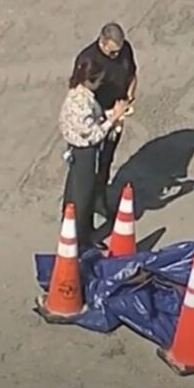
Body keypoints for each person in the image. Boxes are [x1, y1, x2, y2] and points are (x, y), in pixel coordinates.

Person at [58, 56, 131, 250]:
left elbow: (92, 121)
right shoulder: (81, 104)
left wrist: (109, 114)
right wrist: (114, 118)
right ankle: (81, 240)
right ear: (90, 80)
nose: (100, 84)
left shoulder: (78, 94)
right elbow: (94, 135)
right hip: (84, 152)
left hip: (76, 149)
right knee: (83, 196)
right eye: (99, 80)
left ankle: (71, 228)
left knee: (73, 192)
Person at [71, 22, 138, 214]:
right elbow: (79, 92)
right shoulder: (88, 59)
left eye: (118, 51)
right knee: (87, 159)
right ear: (102, 41)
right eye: (112, 53)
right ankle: (81, 200)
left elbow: (132, 75)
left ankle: (100, 197)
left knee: (107, 156)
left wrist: (129, 97)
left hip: (116, 112)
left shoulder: (125, 50)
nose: (116, 56)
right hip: (94, 116)